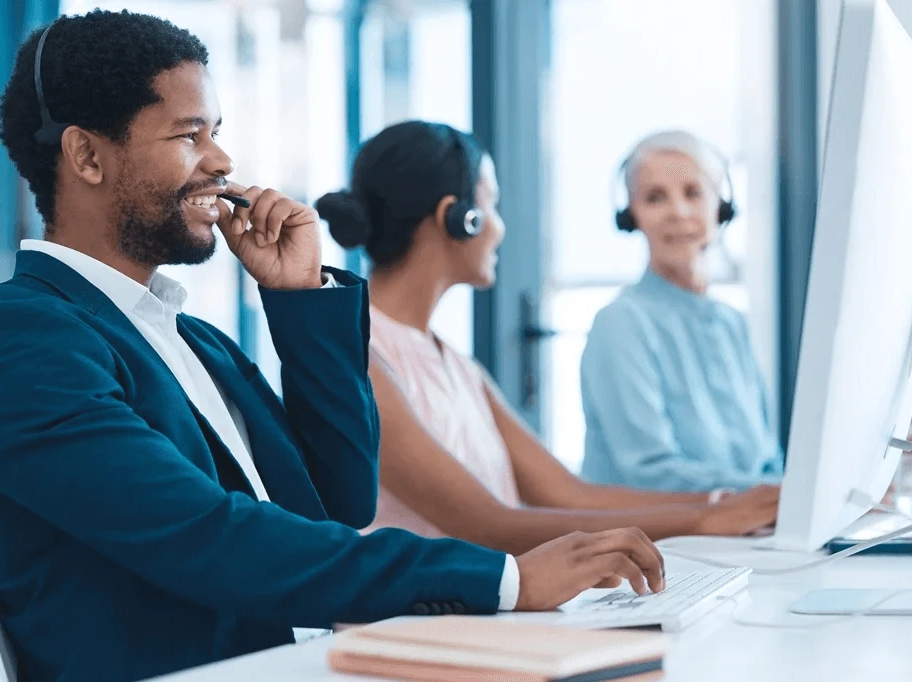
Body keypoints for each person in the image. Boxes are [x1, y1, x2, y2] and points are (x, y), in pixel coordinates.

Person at [0, 12, 664, 682]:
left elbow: (338, 504)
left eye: (216, 130)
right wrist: (507, 580)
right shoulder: (18, 343)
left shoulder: (192, 340)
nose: (220, 160)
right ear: (87, 157)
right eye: (189, 135)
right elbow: (211, 539)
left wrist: (300, 299)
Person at [316, 121, 779, 558]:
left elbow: (567, 493)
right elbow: (488, 524)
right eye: (492, 206)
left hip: (477, 618)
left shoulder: (456, 364)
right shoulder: (364, 359)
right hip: (413, 633)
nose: (500, 228)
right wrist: (706, 519)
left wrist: (722, 505)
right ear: (458, 218)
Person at [578, 130, 784, 493]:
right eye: (655, 198)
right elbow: (647, 473)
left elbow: (768, 461)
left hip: (744, 536)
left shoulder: (733, 324)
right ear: (631, 216)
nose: (678, 212)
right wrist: (775, 496)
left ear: (721, 207)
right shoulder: (619, 324)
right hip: (656, 541)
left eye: (693, 193)